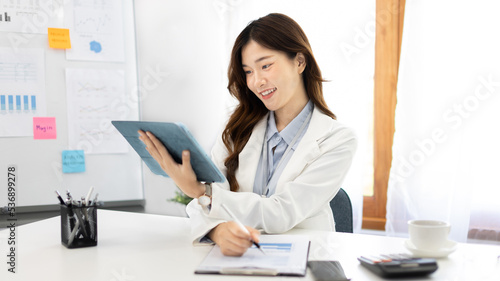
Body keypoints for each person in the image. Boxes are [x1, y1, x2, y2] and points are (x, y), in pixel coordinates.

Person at [138, 13, 357, 256]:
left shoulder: (337, 140)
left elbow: (281, 213)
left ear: (300, 62)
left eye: (265, 66)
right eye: (248, 72)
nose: (257, 81)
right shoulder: (237, 129)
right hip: (238, 260)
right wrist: (217, 231)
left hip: (307, 260)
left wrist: (203, 192)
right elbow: (199, 207)